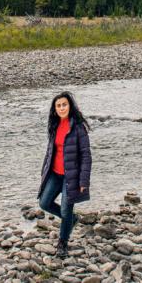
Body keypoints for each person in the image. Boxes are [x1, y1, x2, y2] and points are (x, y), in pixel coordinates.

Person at [37, 91, 92, 257]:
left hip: (71, 176)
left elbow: (86, 155)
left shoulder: (78, 127)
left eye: (64, 105)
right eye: (58, 105)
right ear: (55, 109)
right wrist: (44, 172)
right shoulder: (54, 125)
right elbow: (50, 152)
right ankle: (71, 220)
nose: (62, 108)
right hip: (54, 174)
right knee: (44, 203)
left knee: (65, 212)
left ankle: (63, 242)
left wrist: (84, 181)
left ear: (70, 106)